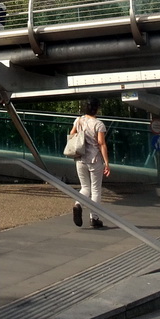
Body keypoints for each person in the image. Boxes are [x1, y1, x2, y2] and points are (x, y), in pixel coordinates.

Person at [69, 97, 110, 229]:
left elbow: (72, 134)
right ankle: (95, 218)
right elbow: (101, 143)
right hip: (94, 159)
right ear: (97, 108)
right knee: (96, 189)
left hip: (80, 158)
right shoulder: (99, 124)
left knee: (85, 187)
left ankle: (78, 204)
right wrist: (107, 162)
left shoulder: (78, 120)